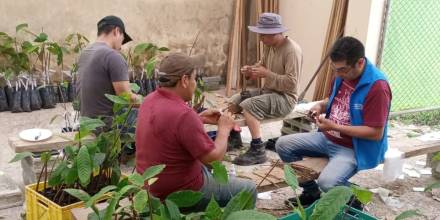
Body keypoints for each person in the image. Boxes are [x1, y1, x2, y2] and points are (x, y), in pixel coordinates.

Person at [275, 36, 392, 206]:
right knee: (283, 145)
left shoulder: (378, 87)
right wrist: (320, 106)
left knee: (328, 183)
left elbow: (375, 133)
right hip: (327, 137)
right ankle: (311, 192)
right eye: (335, 69)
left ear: (360, 63)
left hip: (353, 147)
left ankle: (354, 202)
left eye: (342, 70)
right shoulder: (342, 75)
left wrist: (334, 126)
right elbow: (335, 100)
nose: (337, 75)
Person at [135, 53, 257, 210]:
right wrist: (224, 129)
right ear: (185, 80)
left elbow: (169, 129)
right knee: (248, 189)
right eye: (194, 79)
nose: (195, 83)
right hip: (179, 191)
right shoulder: (184, 115)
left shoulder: (148, 100)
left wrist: (199, 119)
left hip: (149, 187)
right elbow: (213, 158)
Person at [230, 12, 303, 166]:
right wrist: (251, 71)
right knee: (235, 100)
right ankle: (234, 135)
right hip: (269, 92)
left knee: (249, 105)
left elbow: (292, 83)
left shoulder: (291, 50)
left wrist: (266, 74)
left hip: (286, 98)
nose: (261, 39)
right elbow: (261, 66)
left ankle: (258, 149)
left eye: (263, 35)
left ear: (275, 33)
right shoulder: (269, 46)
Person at [76, 15, 139, 129]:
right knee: (156, 116)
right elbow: (126, 98)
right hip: (107, 127)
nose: (121, 46)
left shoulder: (85, 53)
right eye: (123, 39)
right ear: (116, 31)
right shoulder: (113, 56)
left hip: (87, 123)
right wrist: (149, 101)